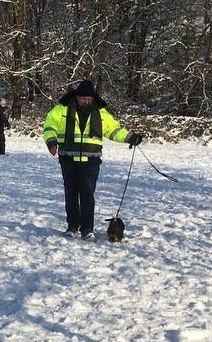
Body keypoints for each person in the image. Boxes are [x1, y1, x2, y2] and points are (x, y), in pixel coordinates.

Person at [42, 79, 141, 240]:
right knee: (71, 194)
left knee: (87, 194)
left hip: (91, 161)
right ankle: (73, 226)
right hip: (68, 159)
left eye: (89, 98)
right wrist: (51, 142)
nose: (86, 101)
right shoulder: (61, 109)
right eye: (83, 98)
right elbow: (49, 126)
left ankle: (88, 229)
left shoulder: (101, 113)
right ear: (76, 97)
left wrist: (130, 137)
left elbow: (114, 130)